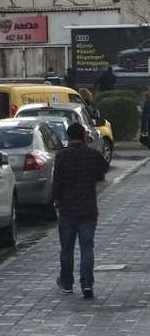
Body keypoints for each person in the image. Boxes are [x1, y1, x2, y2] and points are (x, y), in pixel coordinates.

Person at [52, 122, 109, 299]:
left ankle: (67, 282)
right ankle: (87, 285)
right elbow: (103, 172)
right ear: (84, 135)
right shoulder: (93, 154)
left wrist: (55, 200)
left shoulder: (61, 156)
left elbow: (56, 184)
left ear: (69, 137)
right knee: (87, 248)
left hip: (67, 210)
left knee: (67, 249)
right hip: (88, 209)